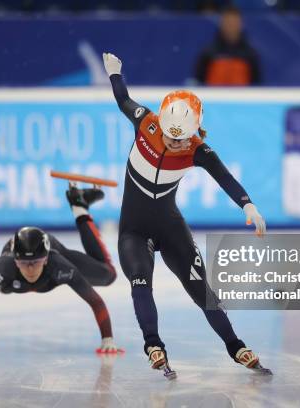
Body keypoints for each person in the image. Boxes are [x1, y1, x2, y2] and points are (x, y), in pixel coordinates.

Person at [102, 52, 271, 374]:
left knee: (201, 292)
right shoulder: (146, 121)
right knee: (140, 281)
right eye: (170, 137)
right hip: (134, 232)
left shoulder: (198, 150)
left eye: (183, 140)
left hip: (170, 227)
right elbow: (122, 99)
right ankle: (153, 344)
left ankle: (236, 346)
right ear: (161, 125)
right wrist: (114, 73)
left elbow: (226, 178)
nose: (176, 144)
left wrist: (248, 205)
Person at [0, 186, 120, 353]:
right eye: (24, 263)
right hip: (8, 265)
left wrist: (107, 339)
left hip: (54, 247)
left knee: (108, 275)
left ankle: (80, 206)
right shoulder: (4, 267)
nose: (30, 269)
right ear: (15, 261)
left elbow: (95, 301)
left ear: (45, 260)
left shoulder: (59, 265)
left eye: (35, 262)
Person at [195, 5, 262, 86]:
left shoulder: (250, 54)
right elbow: (198, 81)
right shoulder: (208, 52)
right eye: (228, 22)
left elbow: (257, 84)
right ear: (222, 24)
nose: (231, 26)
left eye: (234, 22)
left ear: (240, 24)